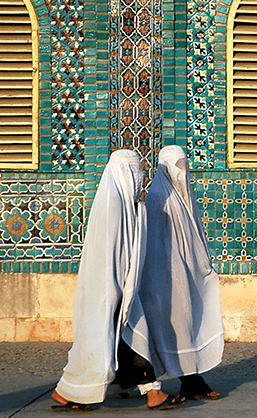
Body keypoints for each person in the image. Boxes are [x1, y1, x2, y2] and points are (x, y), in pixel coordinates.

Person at [51, 150, 184, 411]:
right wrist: (115, 293)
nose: (139, 179)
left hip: (121, 289)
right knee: (127, 337)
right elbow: (109, 256)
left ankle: (67, 392)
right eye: (134, 172)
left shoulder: (128, 206)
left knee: (118, 340)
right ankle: (151, 392)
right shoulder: (113, 205)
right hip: (111, 291)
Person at [125, 145, 224, 401]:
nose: (182, 171)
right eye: (177, 166)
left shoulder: (184, 195)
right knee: (176, 330)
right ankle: (189, 382)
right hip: (164, 281)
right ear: (166, 168)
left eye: (184, 165)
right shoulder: (159, 197)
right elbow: (158, 247)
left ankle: (189, 381)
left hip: (185, 278)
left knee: (186, 328)